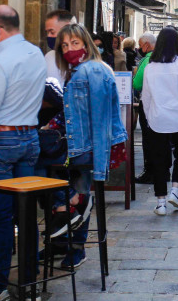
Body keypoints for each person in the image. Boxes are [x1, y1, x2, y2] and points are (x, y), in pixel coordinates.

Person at [0, 5, 46, 300]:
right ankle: (29, 282)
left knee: (0, 217)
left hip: (0, 142)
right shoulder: (35, 54)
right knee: (26, 213)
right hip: (29, 138)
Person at [52, 23, 128, 268]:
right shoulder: (78, 70)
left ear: (86, 44)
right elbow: (72, 111)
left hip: (86, 146)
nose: (69, 49)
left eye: (74, 43)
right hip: (79, 143)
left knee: (78, 192)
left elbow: (100, 117)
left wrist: (99, 162)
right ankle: (65, 243)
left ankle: (75, 247)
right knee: (63, 184)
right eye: (64, 45)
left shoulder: (92, 70)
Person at [142, 27, 178, 215]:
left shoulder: (150, 68)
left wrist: (149, 118)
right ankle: (175, 191)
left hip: (157, 119)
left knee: (158, 159)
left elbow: (146, 97)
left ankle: (160, 202)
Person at [132, 32, 157, 184]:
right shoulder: (166, 58)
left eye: (141, 45)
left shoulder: (148, 60)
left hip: (147, 104)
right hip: (162, 105)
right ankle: (163, 170)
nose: (140, 48)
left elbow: (137, 84)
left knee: (148, 139)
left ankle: (150, 172)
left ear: (147, 45)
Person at [44, 9, 76, 81]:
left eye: (52, 32)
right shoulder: (49, 56)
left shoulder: (83, 59)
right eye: (47, 32)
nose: (49, 36)